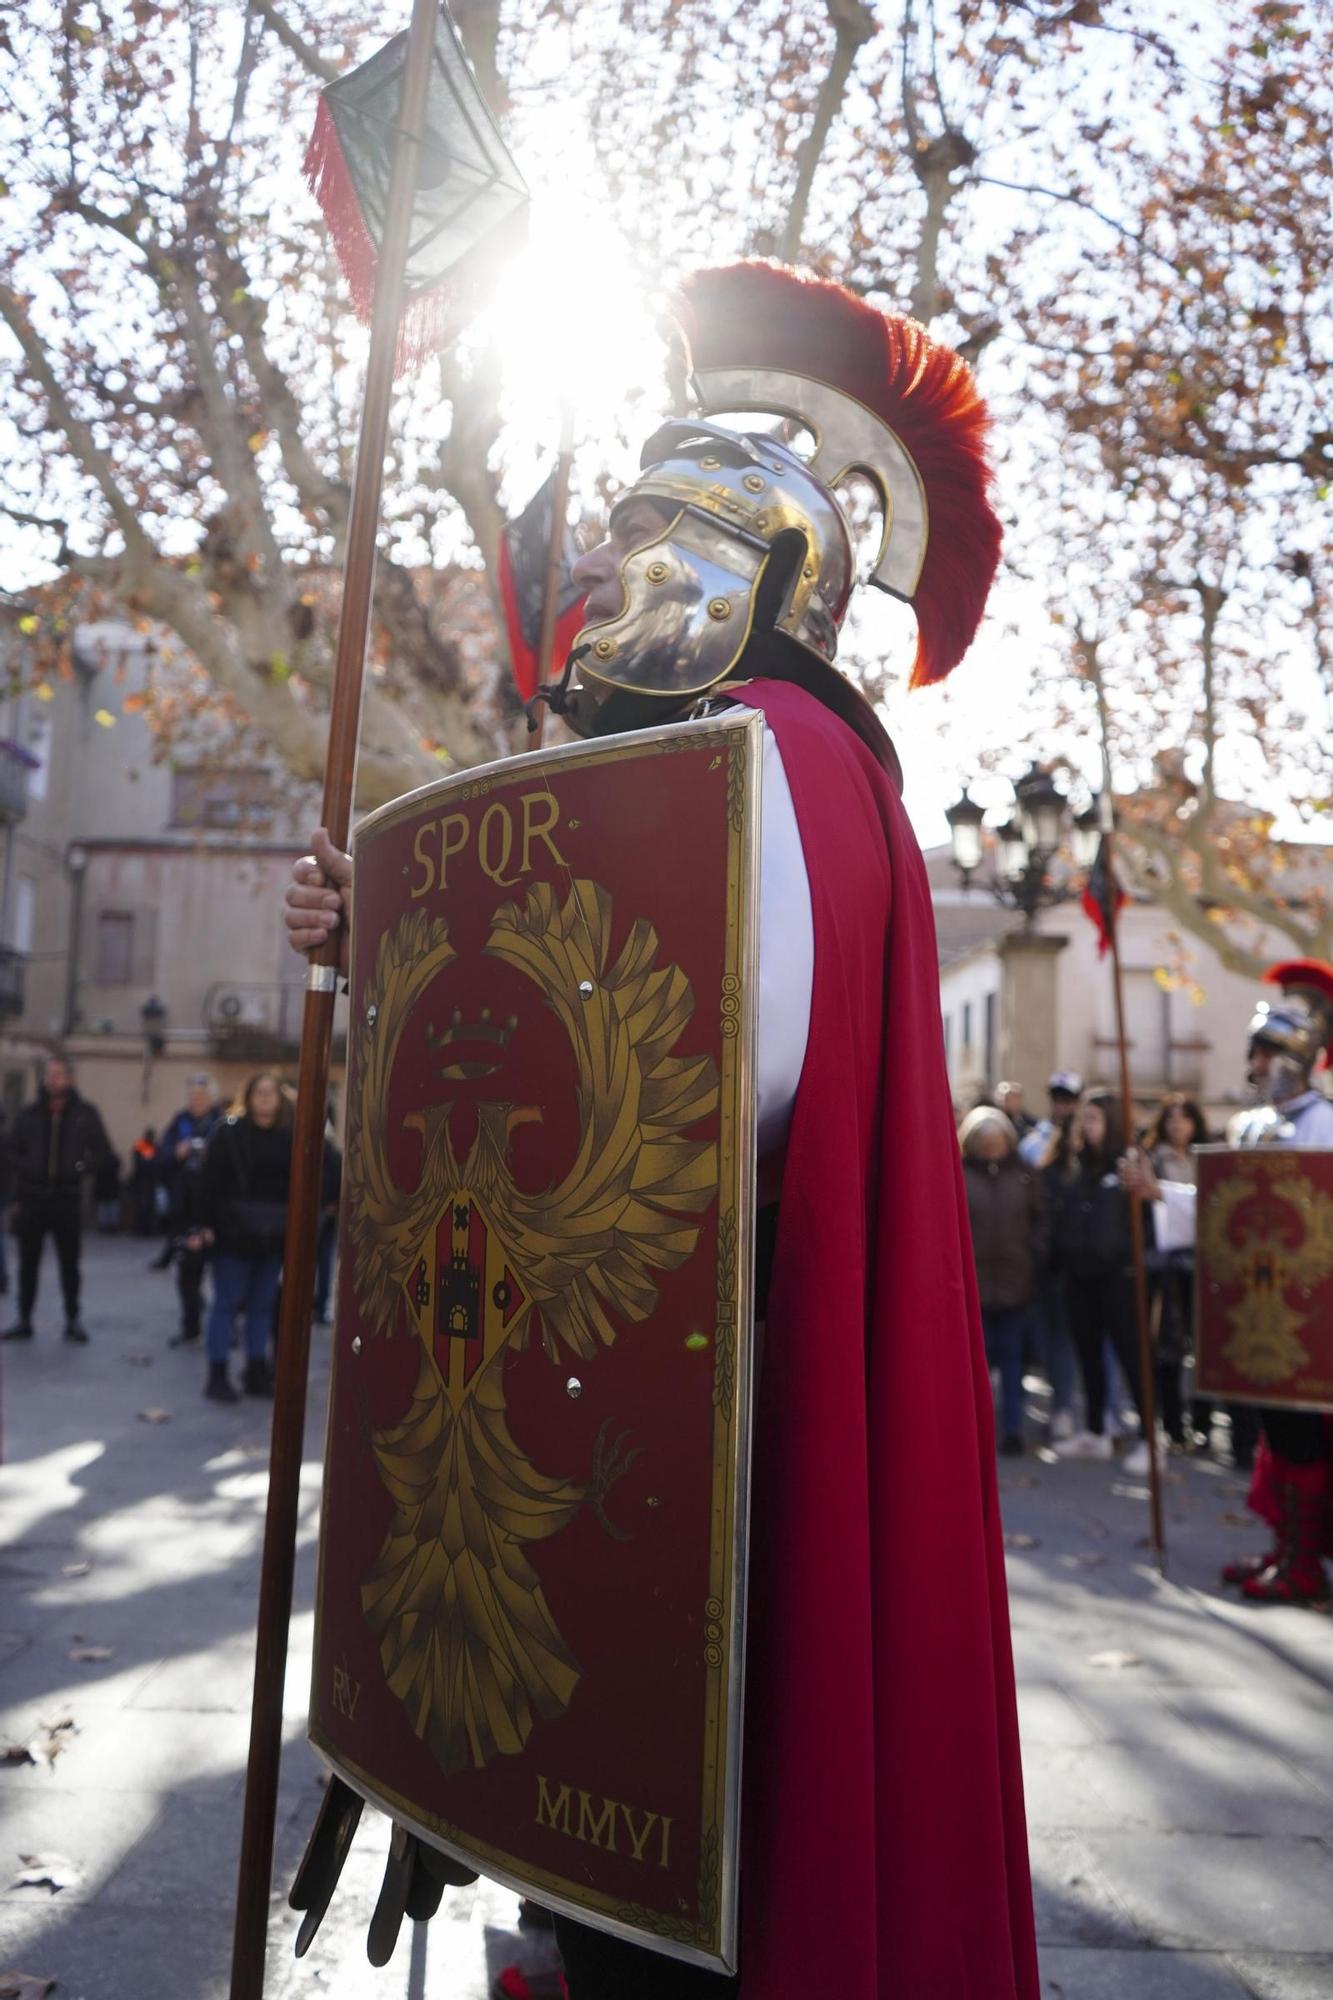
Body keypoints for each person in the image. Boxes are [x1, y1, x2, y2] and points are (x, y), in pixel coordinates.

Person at [285, 261, 1038, 1998]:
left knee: (679, 1905)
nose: (602, 592)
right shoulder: (792, 765)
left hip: (714, 1416)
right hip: (682, 1393)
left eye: (642, 553)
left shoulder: (761, 758)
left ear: (750, 575)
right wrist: (382, 940)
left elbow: (691, 1071)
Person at [1126, 960, 1333, 1604]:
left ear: (1295, 1059)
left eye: (1265, 1051)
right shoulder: (1248, 1126)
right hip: (1254, 1306)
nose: (1253, 1062)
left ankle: (1306, 1565)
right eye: (1254, 1051)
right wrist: (1159, 1190)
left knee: (1303, 1438)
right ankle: (1285, 1549)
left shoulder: (1328, 1122)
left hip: (1313, 1310)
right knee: (1274, 1434)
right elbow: (1224, 1205)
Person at [1048, 1088, 1154, 1472]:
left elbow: (1145, 1216)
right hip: (1080, 1273)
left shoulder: (1128, 1162)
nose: (1086, 1126)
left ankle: (1149, 1437)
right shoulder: (1077, 1165)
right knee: (1088, 1356)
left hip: (1119, 1275)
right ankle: (1095, 1431)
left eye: (1093, 1119)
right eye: (1084, 1119)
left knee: (1131, 1357)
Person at [192, 1070, 294, 1403]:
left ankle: (255, 1369)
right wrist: (203, 1225)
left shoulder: (289, 1135)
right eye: (259, 1092)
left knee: (262, 1308)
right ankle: (217, 1374)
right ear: (248, 1097)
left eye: (271, 1093)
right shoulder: (229, 1133)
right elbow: (208, 1183)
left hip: (273, 1237)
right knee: (226, 1304)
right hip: (234, 1235)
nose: (265, 1098)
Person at [2, 1054, 113, 1345]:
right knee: (28, 1262)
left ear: (70, 1078)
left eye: (59, 1074)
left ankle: (72, 1319)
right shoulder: (29, 1114)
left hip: (67, 1199)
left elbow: (103, 1154)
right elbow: (10, 1150)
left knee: (69, 1263)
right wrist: (27, 1167)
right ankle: (24, 1318)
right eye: (49, 1074)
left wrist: (78, 1169)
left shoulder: (85, 1114)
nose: (53, 1079)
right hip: (32, 1198)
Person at [959, 1107, 1048, 1455]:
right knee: (975, 1365)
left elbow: (1040, 1218)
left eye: (998, 1143)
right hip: (975, 1284)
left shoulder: (1023, 1176)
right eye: (986, 1144)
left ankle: (1012, 1428)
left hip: (1015, 1282)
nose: (993, 1150)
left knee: (1012, 1360)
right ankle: (974, 1431)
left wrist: (1033, 1255)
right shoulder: (961, 1175)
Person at [1141, 1094, 1209, 1447]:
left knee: (1206, 1348)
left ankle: (1205, 1423)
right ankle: (1173, 1425)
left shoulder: (1207, 1159)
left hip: (1203, 1267)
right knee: (1168, 1348)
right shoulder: (1153, 1160)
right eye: (1172, 1119)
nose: (1178, 1125)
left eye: (1184, 1118)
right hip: (1167, 1268)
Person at [1019, 1071, 1080, 1438]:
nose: (1062, 1105)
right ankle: (1061, 1408)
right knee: (1054, 1336)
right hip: (1050, 1254)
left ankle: (1090, 1410)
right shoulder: (1040, 1138)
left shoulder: (1086, 1139)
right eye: (1057, 1098)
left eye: (1068, 1099)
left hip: (1081, 1254)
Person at [156, 1074, 225, 1349]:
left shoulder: (222, 1125)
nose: (195, 1101)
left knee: (222, 1273)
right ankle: (191, 1326)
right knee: (187, 1274)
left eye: (201, 1096)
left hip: (215, 1210)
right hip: (183, 1210)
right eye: (192, 1096)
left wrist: (212, 1156)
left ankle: (225, 1328)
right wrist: (176, 1153)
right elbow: (159, 1158)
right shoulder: (178, 1122)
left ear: (211, 1098)